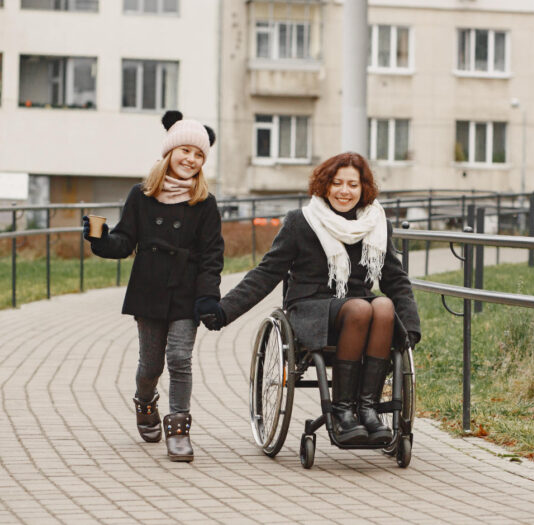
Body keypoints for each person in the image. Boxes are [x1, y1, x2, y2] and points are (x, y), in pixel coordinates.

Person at [203, 152, 420, 445]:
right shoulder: (301, 222)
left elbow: (395, 280)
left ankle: (367, 410)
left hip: (361, 310)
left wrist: (411, 325)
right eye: (337, 183)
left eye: (353, 185)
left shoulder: (376, 224)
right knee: (359, 308)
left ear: (363, 188)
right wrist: (223, 311)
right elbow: (267, 273)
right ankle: (343, 413)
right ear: (325, 185)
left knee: (382, 305)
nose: (345, 191)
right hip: (311, 309)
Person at [82, 110, 225, 462]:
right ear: (170, 152)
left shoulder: (205, 203)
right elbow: (124, 241)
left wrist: (208, 297)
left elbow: (212, 255)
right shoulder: (142, 195)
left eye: (199, 154)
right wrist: (98, 238)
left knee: (179, 358)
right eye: (185, 151)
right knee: (150, 366)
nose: (191, 159)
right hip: (149, 289)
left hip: (187, 291)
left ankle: (179, 429)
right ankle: (145, 402)